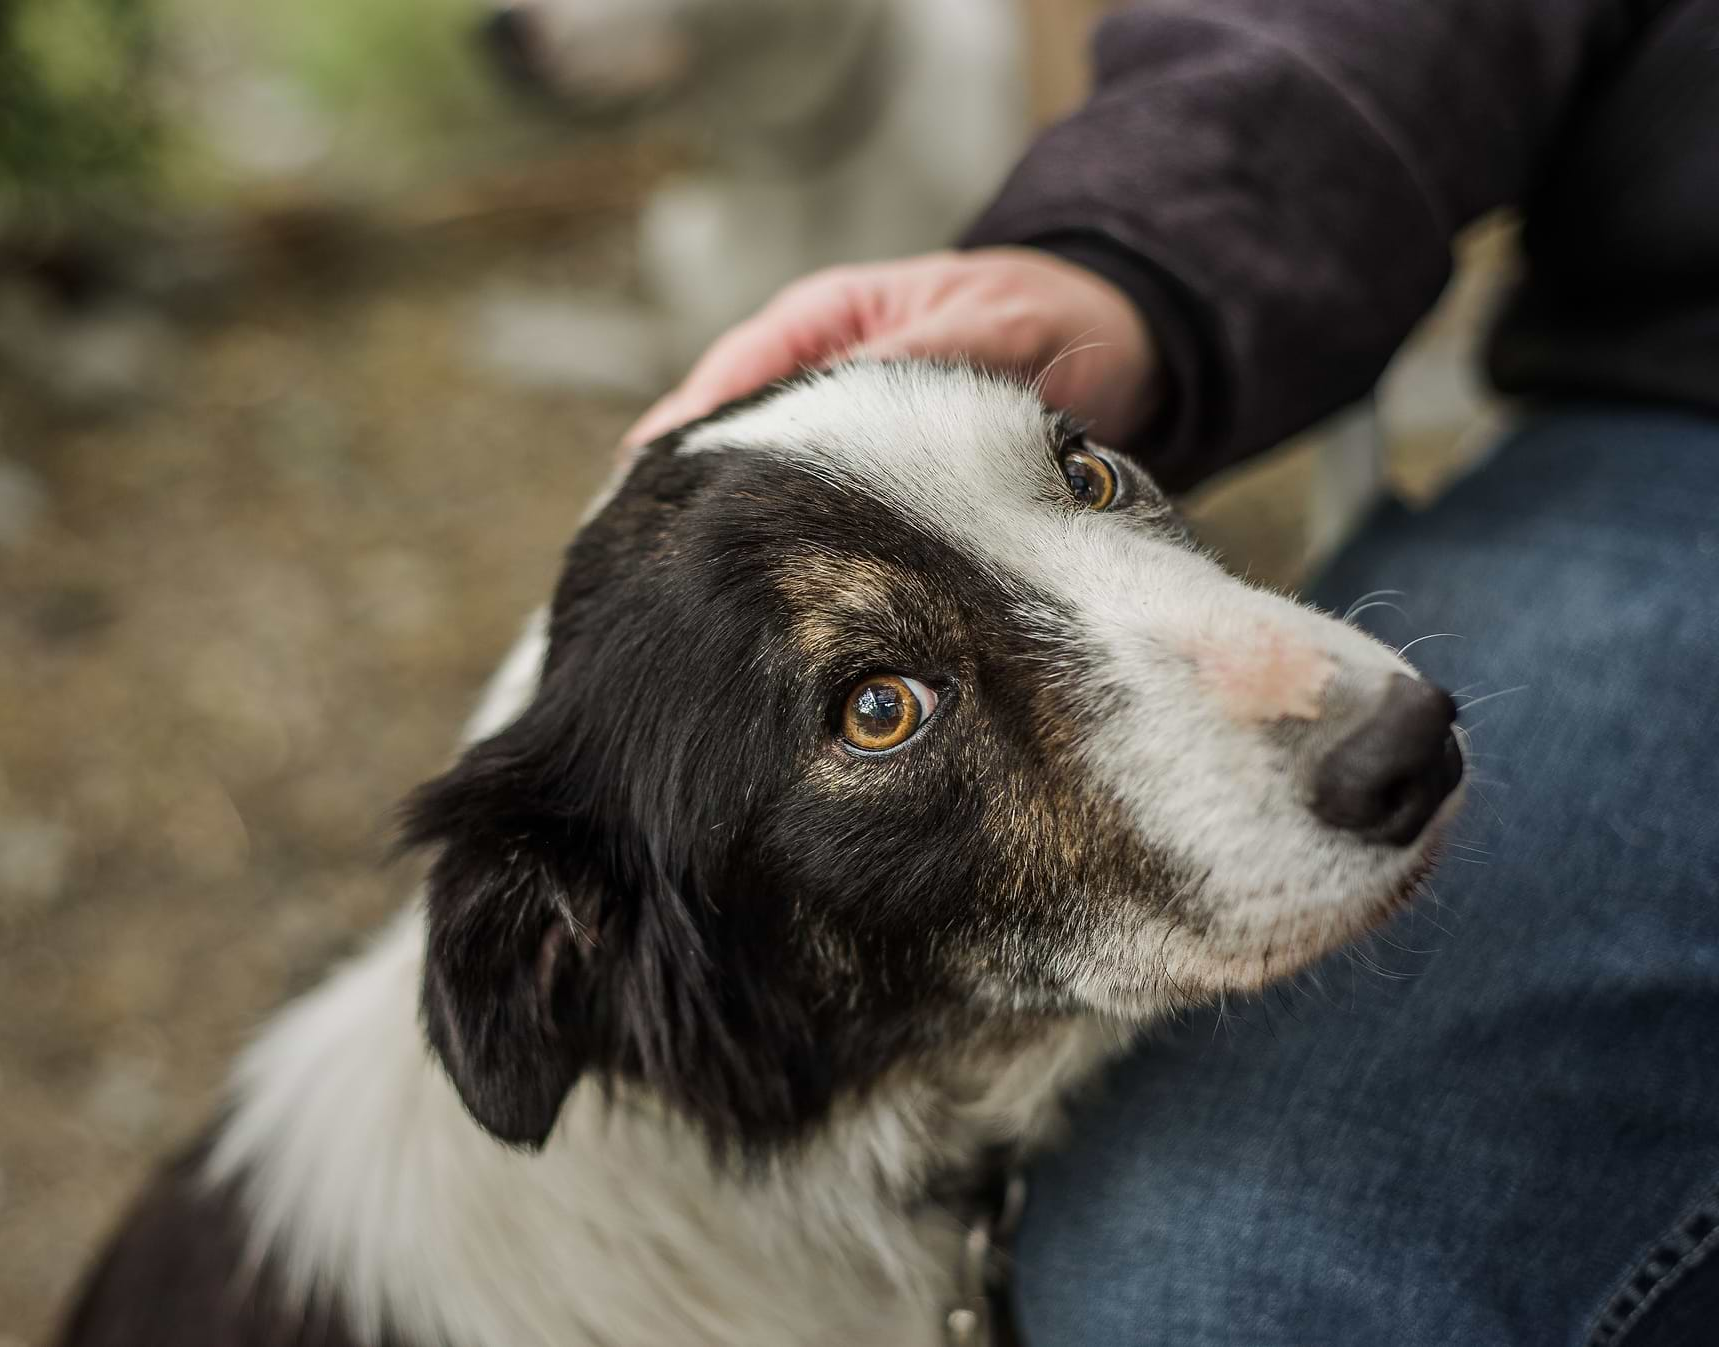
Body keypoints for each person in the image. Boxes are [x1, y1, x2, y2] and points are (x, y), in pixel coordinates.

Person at [624, 2, 1719, 1344]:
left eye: (1082, 474)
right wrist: (1130, 258)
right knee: (1218, 1290)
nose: (1360, 702)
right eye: (881, 702)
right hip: (1677, 414)